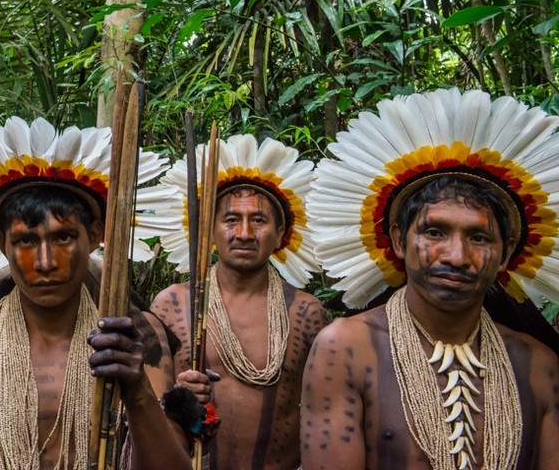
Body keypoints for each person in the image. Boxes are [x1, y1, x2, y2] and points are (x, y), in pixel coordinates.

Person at [0, 116, 191, 470]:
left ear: (95, 235)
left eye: (63, 237)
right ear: (2, 243)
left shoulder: (138, 334)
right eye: (26, 241)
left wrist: (137, 391)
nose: (46, 262)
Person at [303, 89, 559, 469]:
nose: (456, 256)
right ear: (398, 241)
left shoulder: (538, 365)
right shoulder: (346, 349)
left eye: (479, 237)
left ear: (506, 253)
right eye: (435, 232)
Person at [151, 134, 330, 469]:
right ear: (210, 231)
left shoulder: (306, 313)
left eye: (258, 220)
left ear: (280, 235)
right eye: (231, 220)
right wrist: (178, 399)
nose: (244, 233)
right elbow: (144, 408)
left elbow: (324, 416)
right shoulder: (173, 305)